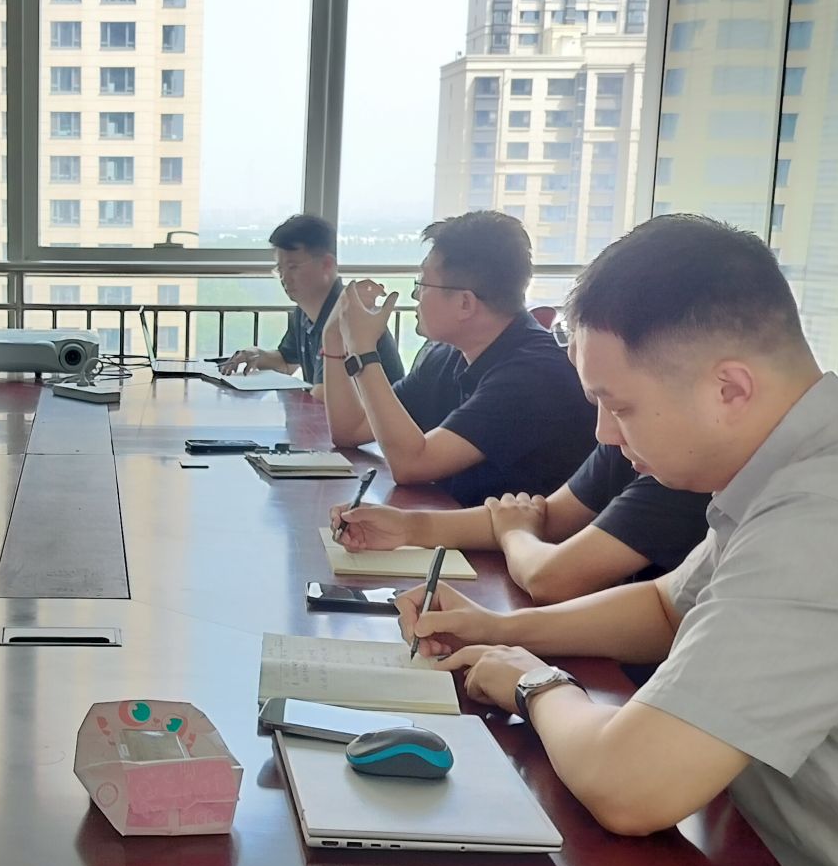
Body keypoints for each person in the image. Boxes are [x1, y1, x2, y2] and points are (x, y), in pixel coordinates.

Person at [398, 214, 838, 866]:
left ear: (730, 388)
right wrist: (499, 628)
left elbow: (630, 785)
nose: (604, 433)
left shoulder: (835, 516)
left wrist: (534, 682)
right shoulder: (820, 459)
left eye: (617, 405)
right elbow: (669, 607)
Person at [322, 211, 595, 506]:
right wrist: (333, 337)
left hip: (518, 535)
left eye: (423, 284)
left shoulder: (534, 374)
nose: (415, 296)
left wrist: (364, 350)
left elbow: (411, 465)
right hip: (454, 523)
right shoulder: (445, 356)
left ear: (465, 303)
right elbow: (351, 430)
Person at [331, 442, 709, 604]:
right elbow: (550, 517)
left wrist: (514, 533)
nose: (601, 432)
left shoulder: (684, 470)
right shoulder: (623, 440)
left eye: (620, 405)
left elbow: (551, 578)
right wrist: (408, 528)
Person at [219, 213, 403, 387]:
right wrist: (257, 355)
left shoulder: (349, 313)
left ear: (327, 264)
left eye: (292, 267)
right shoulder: (303, 312)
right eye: (280, 269)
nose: (284, 278)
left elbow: (324, 394)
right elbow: (286, 362)